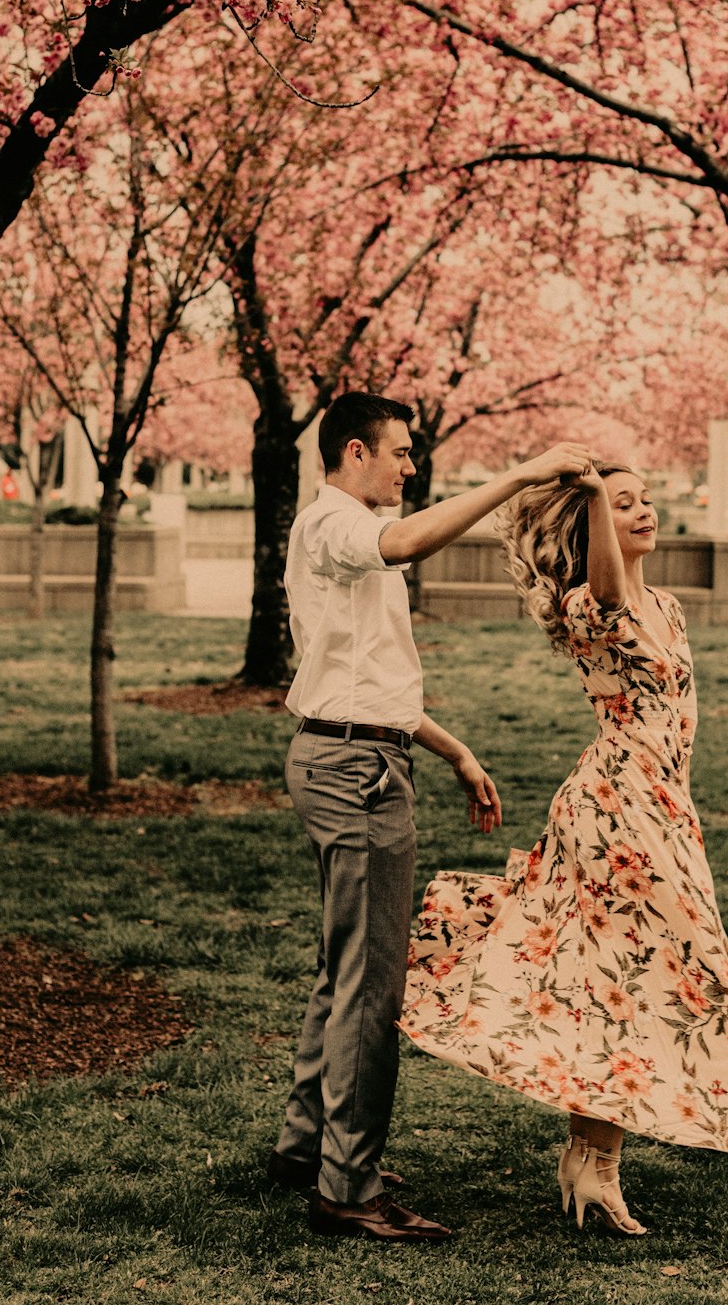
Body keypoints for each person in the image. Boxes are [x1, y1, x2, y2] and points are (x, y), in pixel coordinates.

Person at [399, 462, 728, 1235]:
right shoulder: (586, 605)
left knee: (624, 977)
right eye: (619, 502)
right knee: (645, 972)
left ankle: (591, 1159)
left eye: (642, 497)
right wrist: (596, 492)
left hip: (661, 804)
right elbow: (606, 591)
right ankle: (594, 1163)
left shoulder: (665, 603)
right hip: (619, 812)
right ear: (591, 522)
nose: (642, 510)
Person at [266, 389, 592, 1243]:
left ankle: (307, 1148)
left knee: (344, 967)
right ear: (352, 454)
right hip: (357, 770)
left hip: (353, 749)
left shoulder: (338, 535)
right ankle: (348, 1187)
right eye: (400, 452)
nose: (411, 466)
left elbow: (366, 677)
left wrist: (454, 750)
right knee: (372, 984)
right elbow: (409, 537)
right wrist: (520, 472)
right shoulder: (336, 523)